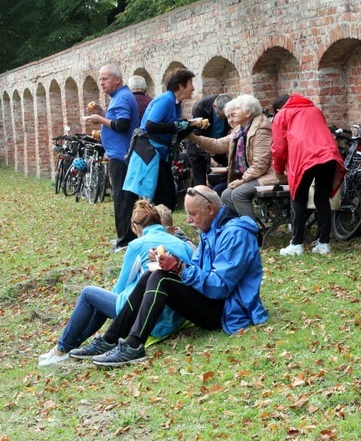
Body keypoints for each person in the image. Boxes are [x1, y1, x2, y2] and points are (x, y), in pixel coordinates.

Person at [89, 185, 268, 367]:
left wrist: (179, 267)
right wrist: (171, 262)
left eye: (193, 214)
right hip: (214, 302)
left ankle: (134, 345)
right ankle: (110, 339)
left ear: (210, 209)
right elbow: (196, 268)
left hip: (230, 311)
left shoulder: (235, 234)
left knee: (161, 279)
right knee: (155, 273)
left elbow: (220, 286)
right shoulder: (211, 229)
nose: (189, 220)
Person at [38, 200, 194, 366]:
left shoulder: (137, 245)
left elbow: (120, 288)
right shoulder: (181, 244)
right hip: (176, 318)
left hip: (151, 320)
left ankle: (62, 349)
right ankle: (69, 347)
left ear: (136, 227)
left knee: (89, 295)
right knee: (100, 301)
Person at [187, 94, 283, 223]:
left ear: (248, 112)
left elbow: (260, 164)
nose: (233, 111)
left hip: (270, 175)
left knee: (238, 193)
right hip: (255, 175)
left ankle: (252, 233)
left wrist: (242, 181)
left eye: (237, 109)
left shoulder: (261, 129)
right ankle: (239, 227)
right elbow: (218, 144)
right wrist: (192, 137)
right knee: (226, 194)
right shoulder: (240, 130)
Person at [271, 94, 345, 256]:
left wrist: (277, 170)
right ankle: (323, 243)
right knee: (322, 198)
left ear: (278, 109)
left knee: (298, 197)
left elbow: (278, 147)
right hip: (328, 155)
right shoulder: (314, 110)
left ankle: (297, 243)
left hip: (303, 157)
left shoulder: (282, 115)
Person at [123, 68, 201, 210]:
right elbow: (151, 126)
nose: (193, 88)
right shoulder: (166, 99)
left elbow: (172, 132)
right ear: (181, 86)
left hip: (160, 155)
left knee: (168, 198)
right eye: (190, 83)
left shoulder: (176, 104)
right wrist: (181, 124)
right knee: (159, 199)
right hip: (149, 154)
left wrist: (191, 126)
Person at [84, 65, 140, 251]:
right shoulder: (118, 97)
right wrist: (102, 114)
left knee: (122, 198)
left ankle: (125, 240)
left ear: (117, 80)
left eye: (105, 79)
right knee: (122, 196)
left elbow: (122, 125)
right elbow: (115, 121)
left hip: (122, 156)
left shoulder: (123, 97)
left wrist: (100, 120)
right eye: (100, 79)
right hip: (118, 154)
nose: (101, 83)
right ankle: (124, 236)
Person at [185, 94, 232, 186]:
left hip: (220, 146)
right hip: (199, 148)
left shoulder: (230, 107)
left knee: (220, 180)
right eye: (220, 114)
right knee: (200, 183)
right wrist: (209, 156)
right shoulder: (201, 107)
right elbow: (196, 137)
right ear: (214, 106)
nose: (224, 118)